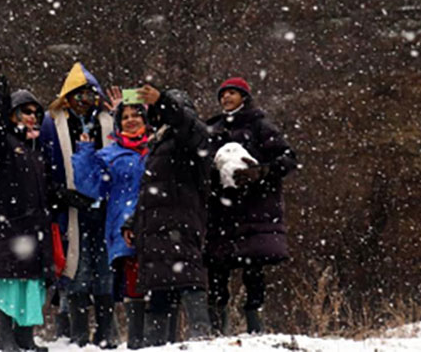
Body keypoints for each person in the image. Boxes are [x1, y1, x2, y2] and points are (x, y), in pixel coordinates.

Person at [204, 77, 297, 334]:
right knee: (217, 274)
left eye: (232, 93)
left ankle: (256, 330)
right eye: (223, 94)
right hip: (221, 211)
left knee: (253, 271)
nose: (226, 97)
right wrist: (212, 175)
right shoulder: (212, 128)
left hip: (254, 208)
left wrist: (261, 172)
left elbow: (288, 158)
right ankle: (217, 331)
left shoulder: (260, 125)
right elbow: (200, 163)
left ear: (244, 97)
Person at [121, 85, 213, 346]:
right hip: (154, 229)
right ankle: (154, 346)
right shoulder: (158, 142)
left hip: (180, 223)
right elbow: (150, 192)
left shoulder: (191, 137)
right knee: (158, 290)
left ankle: (201, 340)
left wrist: (162, 100)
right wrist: (133, 222)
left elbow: (185, 124)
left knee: (190, 280)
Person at [40, 62, 118, 347]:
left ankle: (106, 334)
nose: (84, 101)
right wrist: (60, 194)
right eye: (78, 95)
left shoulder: (108, 121)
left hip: (105, 208)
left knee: (105, 272)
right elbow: (43, 168)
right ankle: (78, 335)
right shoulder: (52, 123)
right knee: (76, 270)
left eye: (89, 95)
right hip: (70, 210)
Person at [0, 75, 54, 352]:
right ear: (11, 114)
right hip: (4, 229)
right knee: (6, 282)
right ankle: (4, 339)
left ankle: (24, 338)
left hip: (32, 230)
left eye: (36, 113)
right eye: (25, 111)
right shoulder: (0, 143)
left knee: (29, 284)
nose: (32, 117)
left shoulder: (35, 151)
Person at [72, 94, 151, 349]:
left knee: (162, 284)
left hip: (157, 224)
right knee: (134, 284)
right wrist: (85, 153)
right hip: (123, 227)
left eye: (136, 115)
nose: (130, 120)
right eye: (125, 117)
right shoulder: (110, 154)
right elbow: (91, 187)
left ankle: (162, 341)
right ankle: (137, 342)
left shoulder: (158, 148)